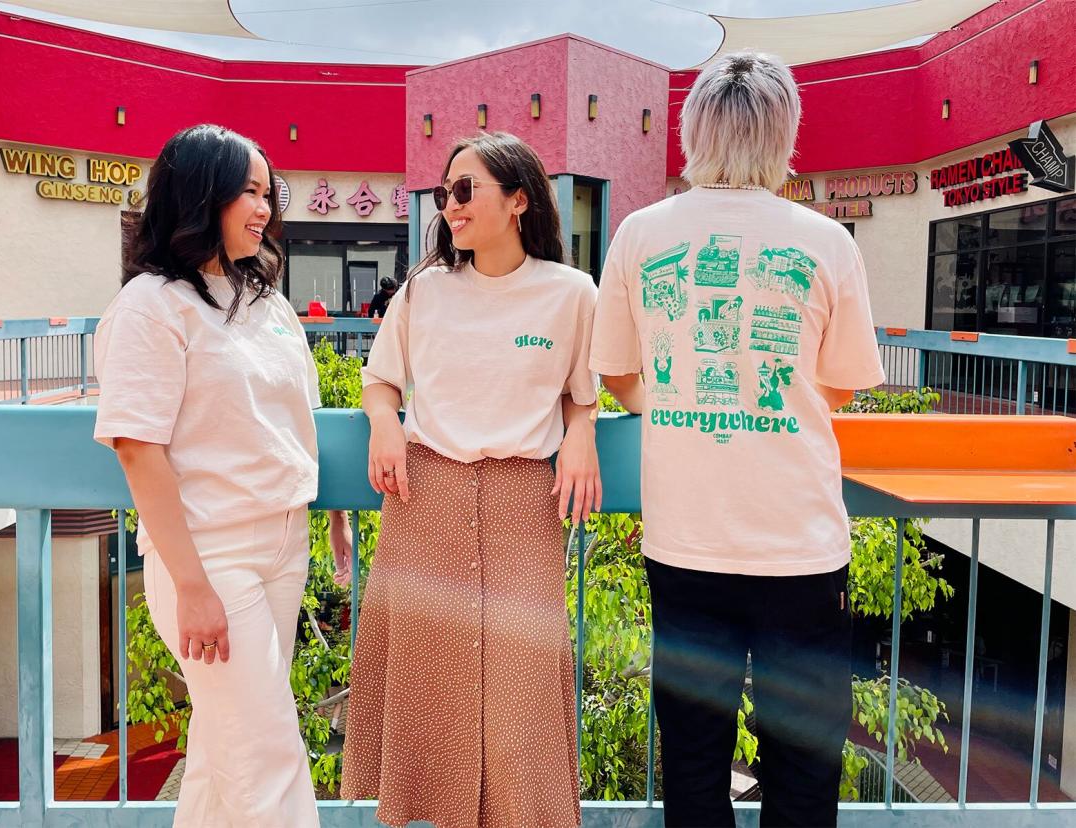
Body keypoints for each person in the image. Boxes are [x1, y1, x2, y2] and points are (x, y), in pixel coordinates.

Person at [590, 53, 885, 828]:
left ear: (691, 132)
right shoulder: (827, 242)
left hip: (685, 544)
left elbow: (617, 372)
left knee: (692, 754)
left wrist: (680, 406)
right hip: (802, 547)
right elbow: (844, 382)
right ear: (786, 132)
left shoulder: (641, 233)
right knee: (805, 754)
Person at [339, 131, 601, 828]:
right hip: (425, 495)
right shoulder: (424, 291)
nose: (449, 207)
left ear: (518, 200)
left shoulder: (572, 294)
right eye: (443, 194)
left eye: (464, 190)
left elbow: (584, 390)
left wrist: (580, 434)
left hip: (524, 500)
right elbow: (380, 380)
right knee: (430, 684)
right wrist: (385, 423)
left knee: (522, 694)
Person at [93, 123, 348, 827]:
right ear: (200, 193)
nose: (264, 209)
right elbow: (137, 449)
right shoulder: (151, 305)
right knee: (268, 760)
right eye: (248, 191)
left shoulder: (263, 300)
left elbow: (297, 417)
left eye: (270, 193)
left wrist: (331, 523)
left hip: (281, 547)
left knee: (219, 754)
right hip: (210, 556)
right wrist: (192, 585)